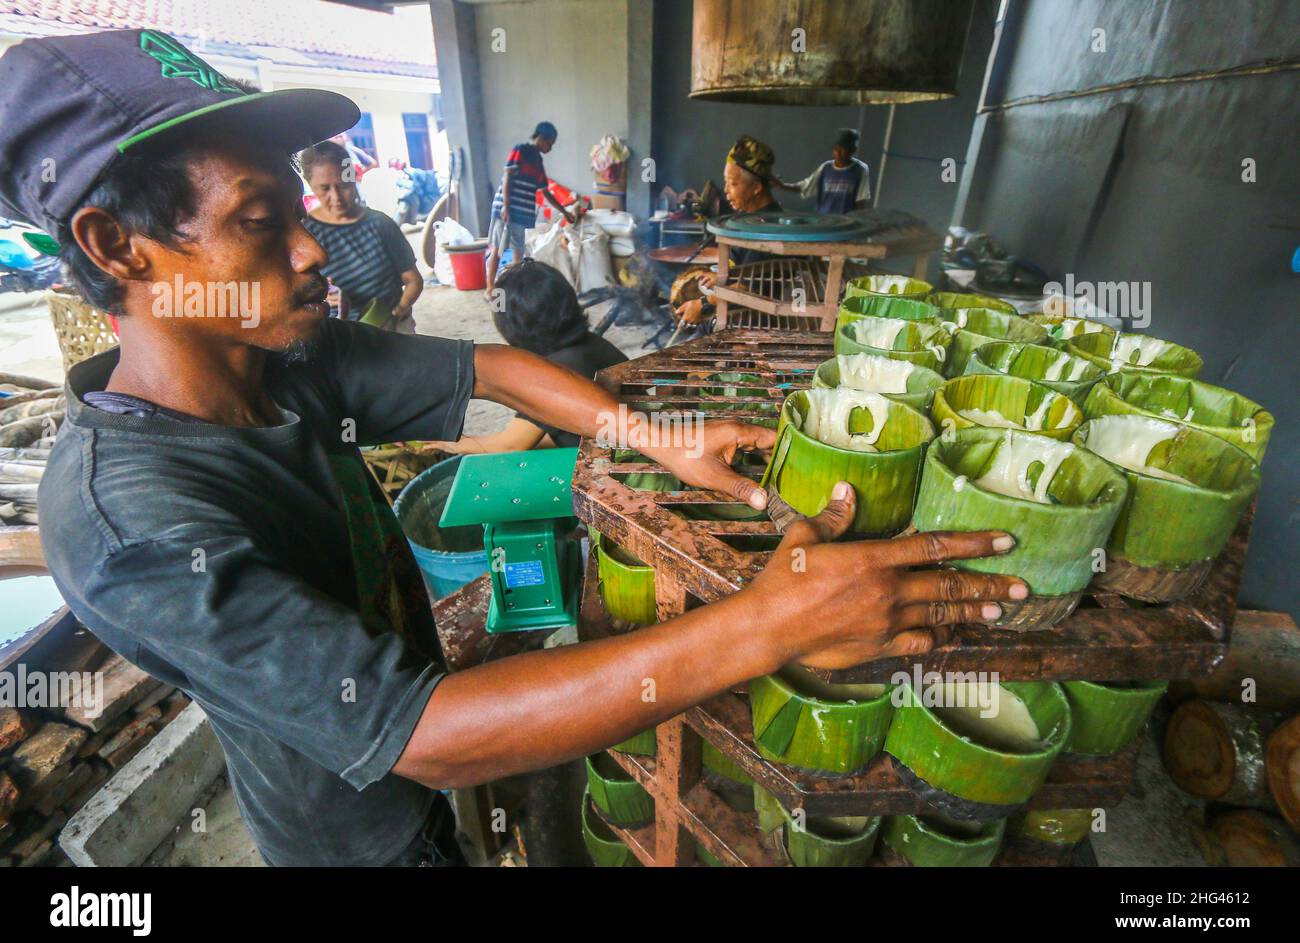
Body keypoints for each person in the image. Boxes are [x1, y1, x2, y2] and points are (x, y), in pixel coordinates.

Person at [2, 30, 1026, 867]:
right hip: (350, 837)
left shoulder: (273, 358)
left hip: (418, 767)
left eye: (297, 208)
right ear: (113, 246)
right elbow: (432, 732)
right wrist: (767, 625)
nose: (312, 246)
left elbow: (489, 367)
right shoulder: (130, 522)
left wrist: (651, 436)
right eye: (262, 220)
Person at [431, 259, 627, 453]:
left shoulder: (555, 372)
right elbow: (556, 430)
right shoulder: (589, 343)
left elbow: (511, 444)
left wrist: (448, 444)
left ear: (509, 327)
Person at [300, 140, 424, 333]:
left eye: (343, 185)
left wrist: (398, 311)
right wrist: (319, 293)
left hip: (390, 326)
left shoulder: (380, 224)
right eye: (324, 188)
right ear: (310, 185)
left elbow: (413, 280)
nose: (336, 197)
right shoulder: (306, 233)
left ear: (353, 179)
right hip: (338, 332)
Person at [674, 135, 783, 327]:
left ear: (756, 187)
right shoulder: (752, 218)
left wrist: (703, 305)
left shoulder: (765, 229)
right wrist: (725, 275)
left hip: (753, 323)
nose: (726, 191)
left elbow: (751, 289)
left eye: (732, 183)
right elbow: (750, 271)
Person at [485, 121, 576, 298]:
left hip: (520, 214)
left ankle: (518, 291)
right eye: (550, 144)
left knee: (519, 253)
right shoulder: (521, 150)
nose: (550, 148)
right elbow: (507, 177)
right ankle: (490, 289)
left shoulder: (538, 161)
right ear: (541, 138)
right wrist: (506, 204)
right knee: (497, 249)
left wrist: (564, 212)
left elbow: (545, 192)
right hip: (507, 209)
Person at [777, 128, 872, 215]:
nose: (838, 153)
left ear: (853, 150)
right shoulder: (826, 168)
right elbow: (803, 187)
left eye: (843, 149)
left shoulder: (860, 169)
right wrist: (782, 186)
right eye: (836, 149)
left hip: (845, 222)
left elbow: (860, 201)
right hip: (824, 220)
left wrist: (857, 223)